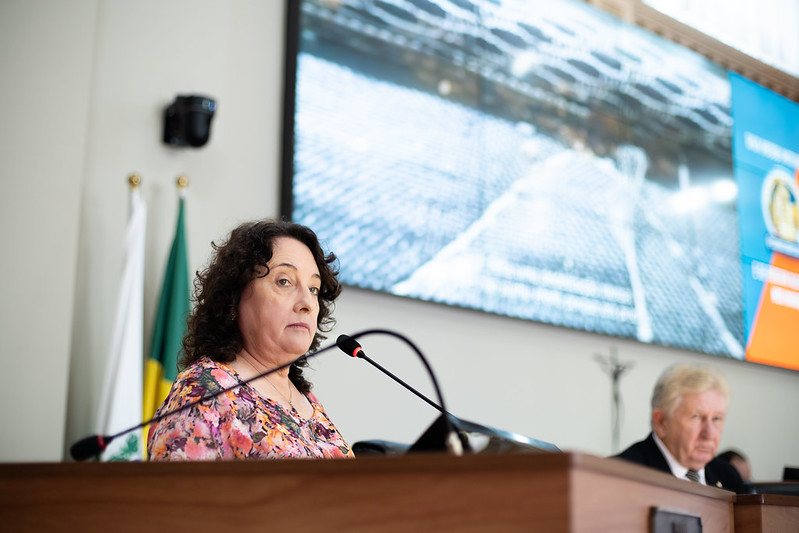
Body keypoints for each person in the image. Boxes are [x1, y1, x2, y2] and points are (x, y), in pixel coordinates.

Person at [147, 219, 354, 460]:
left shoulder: (307, 401)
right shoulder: (205, 392)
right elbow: (177, 494)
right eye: (284, 281)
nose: (307, 303)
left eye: (313, 289)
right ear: (234, 299)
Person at [614, 364, 745, 493]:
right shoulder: (619, 475)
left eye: (716, 418)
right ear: (661, 422)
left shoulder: (728, 477)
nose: (709, 434)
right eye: (696, 417)